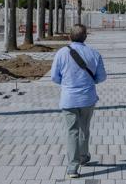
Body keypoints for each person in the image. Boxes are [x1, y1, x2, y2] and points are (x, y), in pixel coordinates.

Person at [50, 24, 107, 178]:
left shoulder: (61, 53)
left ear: (69, 36)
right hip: (88, 98)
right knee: (84, 129)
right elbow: (101, 77)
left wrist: (67, 83)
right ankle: (83, 157)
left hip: (68, 99)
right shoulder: (94, 53)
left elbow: (54, 77)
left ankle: (72, 167)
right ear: (85, 37)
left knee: (72, 132)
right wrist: (89, 81)